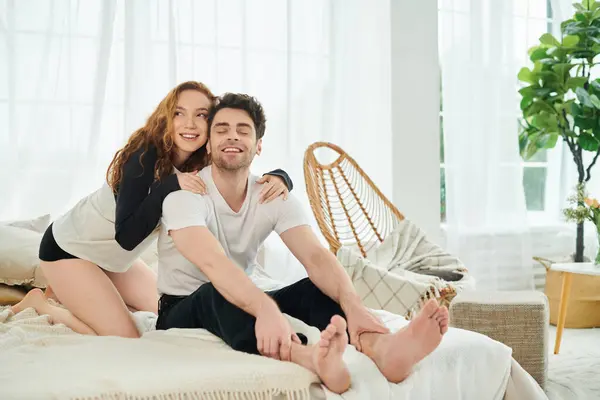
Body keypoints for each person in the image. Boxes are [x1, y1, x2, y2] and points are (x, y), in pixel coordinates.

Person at [154, 93, 450, 394]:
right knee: (214, 293)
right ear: (208, 143)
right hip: (181, 308)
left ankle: (381, 347)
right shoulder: (184, 197)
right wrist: (266, 310)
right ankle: (307, 357)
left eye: (243, 130)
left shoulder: (271, 194)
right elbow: (213, 264)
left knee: (313, 288)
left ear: (258, 146)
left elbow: (316, 256)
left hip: (242, 293)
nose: (232, 136)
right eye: (221, 129)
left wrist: (354, 305)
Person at [10, 82, 293, 338]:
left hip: (114, 261)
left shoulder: (200, 161)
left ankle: (79, 295)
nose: (190, 124)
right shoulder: (143, 158)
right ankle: (43, 304)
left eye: (201, 115)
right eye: (180, 113)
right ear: (167, 118)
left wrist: (282, 177)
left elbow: (238, 167)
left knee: (164, 316)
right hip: (69, 250)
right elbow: (127, 237)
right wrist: (170, 184)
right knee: (129, 338)